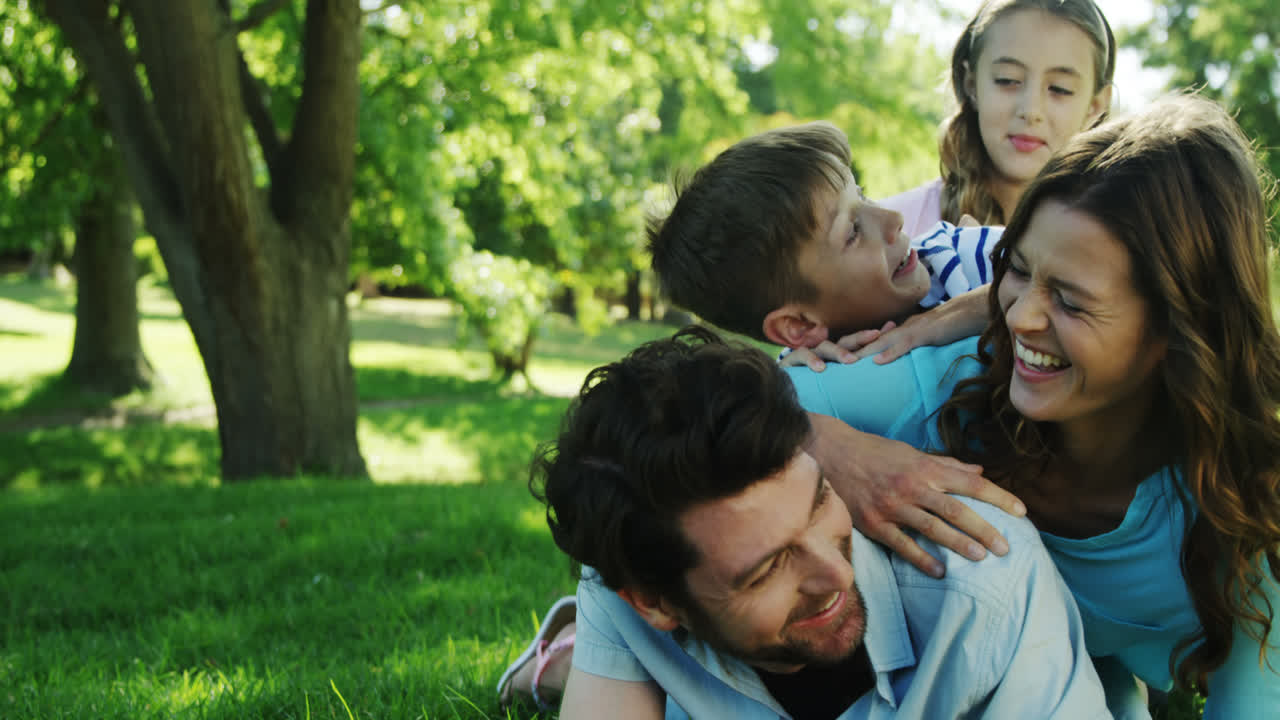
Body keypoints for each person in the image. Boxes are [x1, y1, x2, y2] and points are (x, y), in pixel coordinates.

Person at [789, 94, 1280, 718]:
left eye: (1070, 302)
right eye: (1016, 272)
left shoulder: (1245, 502)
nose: (1019, 318)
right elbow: (673, 403)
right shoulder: (953, 375)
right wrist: (827, 446)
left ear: (1177, 329)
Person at [528, 325, 1110, 719]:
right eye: (766, 570)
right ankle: (554, 664)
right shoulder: (624, 587)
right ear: (653, 603)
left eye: (821, 501)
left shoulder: (987, 589)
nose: (833, 572)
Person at [648, 120, 1000, 368]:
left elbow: (1047, 281)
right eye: (852, 232)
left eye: (864, 197)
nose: (893, 219)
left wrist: (947, 319)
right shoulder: (810, 371)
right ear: (799, 326)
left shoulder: (959, 259)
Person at [881, 0, 1115, 237]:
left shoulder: (1120, 249)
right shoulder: (891, 231)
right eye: (1007, 79)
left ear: (1095, 107)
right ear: (971, 85)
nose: (1031, 110)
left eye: (1060, 88)